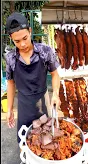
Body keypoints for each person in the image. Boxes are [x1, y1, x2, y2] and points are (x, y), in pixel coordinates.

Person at [5, 12, 61, 143]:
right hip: (24, 106)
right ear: (11, 38)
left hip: (44, 102)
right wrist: (9, 109)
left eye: (25, 38)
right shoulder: (10, 58)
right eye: (17, 41)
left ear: (30, 31)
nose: (22, 44)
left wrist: (56, 94)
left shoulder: (45, 51)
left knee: (48, 140)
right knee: (24, 141)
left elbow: (55, 74)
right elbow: (11, 83)